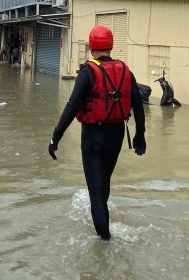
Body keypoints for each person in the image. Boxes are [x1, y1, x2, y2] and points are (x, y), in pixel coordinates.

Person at [48, 25, 146, 240]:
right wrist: (140, 135)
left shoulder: (87, 72)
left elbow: (71, 107)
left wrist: (56, 137)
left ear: (91, 48)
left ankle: (105, 242)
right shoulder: (126, 71)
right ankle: (105, 227)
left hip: (93, 138)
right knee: (104, 183)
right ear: (111, 46)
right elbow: (138, 106)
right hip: (116, 137)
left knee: (95, 192)